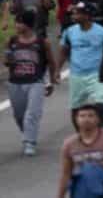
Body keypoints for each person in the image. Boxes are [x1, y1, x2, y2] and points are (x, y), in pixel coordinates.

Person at [7, 9, 58, 156]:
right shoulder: (12, 41)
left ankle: (29, 142)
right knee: (19, 115)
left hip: (35, 82)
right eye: (16, 22)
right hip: (15, 82)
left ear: (28, 24)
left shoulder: (42, 42)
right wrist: (8, 59)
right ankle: (27, 133)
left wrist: (52, 79)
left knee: (32, 113)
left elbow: (51, 62)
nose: (17, 25)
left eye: (20, 22)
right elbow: (7, 61)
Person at [61, 1, 103, 122]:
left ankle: (101, 132)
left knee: (101, 106)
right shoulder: (69, 32)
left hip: (97, 75)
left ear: (87, 15)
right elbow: (63, 51)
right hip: (76, 76)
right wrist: (57, 70)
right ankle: (81, 135)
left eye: (77, 13)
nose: (73, 16)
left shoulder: (102, 32)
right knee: (76, 109)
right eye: (73, 13)